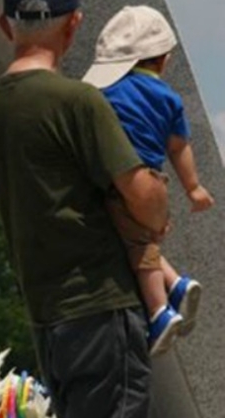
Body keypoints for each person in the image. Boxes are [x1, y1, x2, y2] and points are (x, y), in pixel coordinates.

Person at [0, 0, 167, 418]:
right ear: (75, 24)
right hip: (100, 307)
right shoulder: (77, 101)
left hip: (48, 314)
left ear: (6, 26)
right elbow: (148, 204)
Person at [82, 5, 214, 356]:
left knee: (137, 248)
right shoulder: (169, 98)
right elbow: (179, 146)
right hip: (157, 180)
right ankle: (176, 284)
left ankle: (159, 311)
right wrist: (194, 187)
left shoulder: (106, 94)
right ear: (165, 60)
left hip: (121, 181)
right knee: (140, 238)